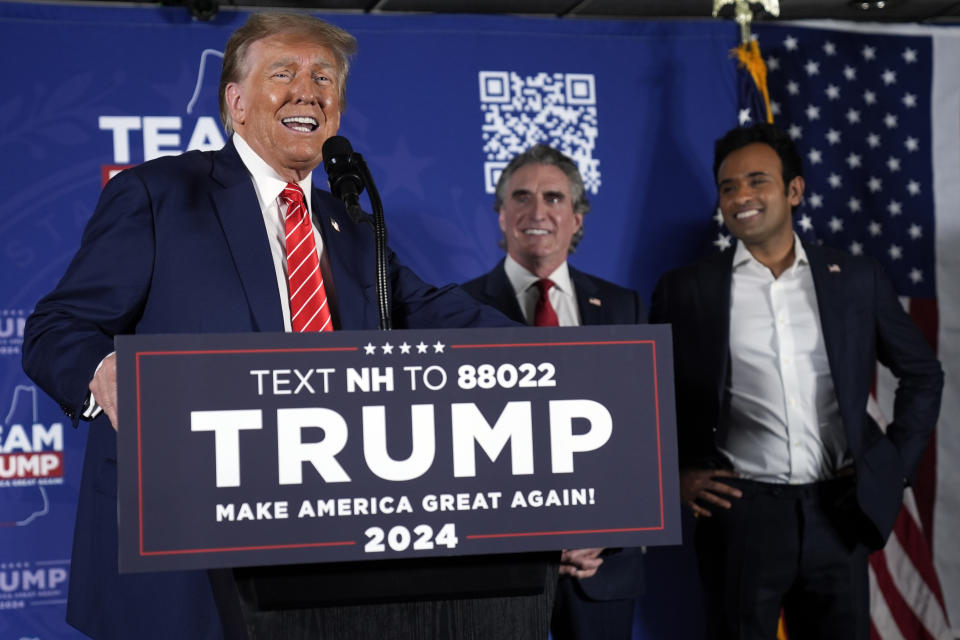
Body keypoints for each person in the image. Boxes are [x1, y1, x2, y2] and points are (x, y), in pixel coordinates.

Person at [21, 13, 543, 640]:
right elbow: (57, 328)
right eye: (283, 73)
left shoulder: (348, 226)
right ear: (235, 104)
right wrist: (106, 375)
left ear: (339, 111)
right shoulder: (158, 194)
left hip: (319, 555)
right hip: (184, 553)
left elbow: (428, 308)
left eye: (324, 77)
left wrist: (557, 359)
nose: (308, 90)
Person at [649, 122, 943, 640]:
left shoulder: (855, 277)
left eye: (757, 181)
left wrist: (892, 466)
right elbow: (645, 398)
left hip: (840, 513)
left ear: (794, 191)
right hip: (741, 516)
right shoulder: (685, 290)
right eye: (728, 187)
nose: (741, 197)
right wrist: (671, 475)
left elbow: (922, 374)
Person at [461, 144, 644, 640]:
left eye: (553, 198)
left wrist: (605, 536)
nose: (537, 211)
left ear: (577, 218)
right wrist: (530, 541)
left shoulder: (623, 308)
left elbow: (640, 438)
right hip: (501, 571)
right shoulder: (458, 310)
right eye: (520, 197)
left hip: (600, 569)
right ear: (501, 216)